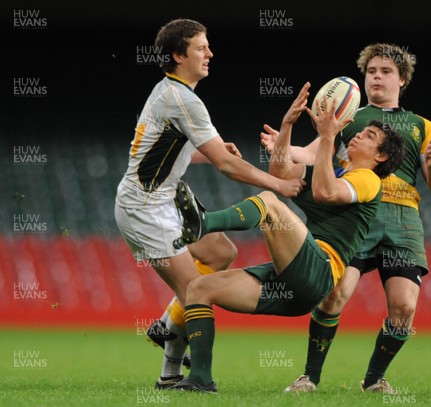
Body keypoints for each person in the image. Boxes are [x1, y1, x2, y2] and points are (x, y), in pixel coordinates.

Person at [167, 83, 404, 393]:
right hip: (295, 284)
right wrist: (288, 125)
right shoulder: (334, 170)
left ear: (381, 156)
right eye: (362, 132)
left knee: (269, 203)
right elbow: (281, 172)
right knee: (198, 288)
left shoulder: (368, 180)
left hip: (318, 272)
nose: (359, 135)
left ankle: (204, 223)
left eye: (370, 137)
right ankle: (200, 379)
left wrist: (328, 136)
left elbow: (325, 192)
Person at [114, 18, 304, 389]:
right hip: (145, 210)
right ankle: (173, 376)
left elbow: (154, 152)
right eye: (201, 47)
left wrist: (205, 153)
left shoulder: (170, 92)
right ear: (177, 55)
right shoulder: (183, 99)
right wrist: (277, 183)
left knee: (219, 252)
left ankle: (166, 326)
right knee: (197, 292)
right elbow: (228, 165)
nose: (210, 54)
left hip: (163, 197)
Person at [263, 43, 431, 393]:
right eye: (371, 72)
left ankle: (374, 379)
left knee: (404, 308)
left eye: (386, 71)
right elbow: (311, 153)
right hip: (357, 213)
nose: (376, 77)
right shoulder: (349, 117)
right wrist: (282, 147)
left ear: (403, 79)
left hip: (403, 220)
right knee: (333, 296)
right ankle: (310, 377)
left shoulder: (423, 126)